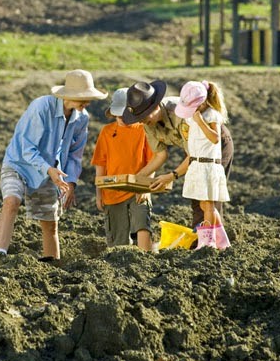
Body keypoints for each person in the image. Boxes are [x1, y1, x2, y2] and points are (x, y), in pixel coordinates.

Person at [0, 69, 107, 261]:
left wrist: (71, 182)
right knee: (11, 201)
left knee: (50, 221)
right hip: (19, 163)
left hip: (49, 170)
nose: (87, 103)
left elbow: (75, 155)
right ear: (69, 96)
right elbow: (26, 147)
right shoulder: (41, 107)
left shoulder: (82, 118)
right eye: (84, 98)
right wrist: (49, 169)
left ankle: (52, 264)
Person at [121, 80, 233, 231]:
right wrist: (139, 182)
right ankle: (213, 238)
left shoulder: (180, 114)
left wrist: (172, 175)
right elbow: (160, 155)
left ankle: (207, 243)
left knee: (205, 196)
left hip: (212, 145)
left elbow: (194, 155)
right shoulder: (148, 123)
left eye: (143, 116)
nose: (141, 121)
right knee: (199, 195)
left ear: (155, 107)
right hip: (193, 151)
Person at [151, 81, 231, 250]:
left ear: (202, 103)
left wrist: (200, 121)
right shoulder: (191, 116)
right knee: (202, 203)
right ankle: (221, 238)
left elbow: (215, 138)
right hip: (197, 160)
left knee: (207, 204)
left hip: (209, 160)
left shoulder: (210, 115)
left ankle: (207, 242)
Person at [91, 88, 155, 251]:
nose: (120, 118)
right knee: (117, 242)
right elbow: (101, 164)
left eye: (124, 115)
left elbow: (152, 162)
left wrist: (145, 187)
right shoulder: (106, 132)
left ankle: (146, 260)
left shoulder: (144, 130)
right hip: (112, 191)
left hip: (138, 190)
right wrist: (99, 193)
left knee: (142, 225)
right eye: (117, 115)